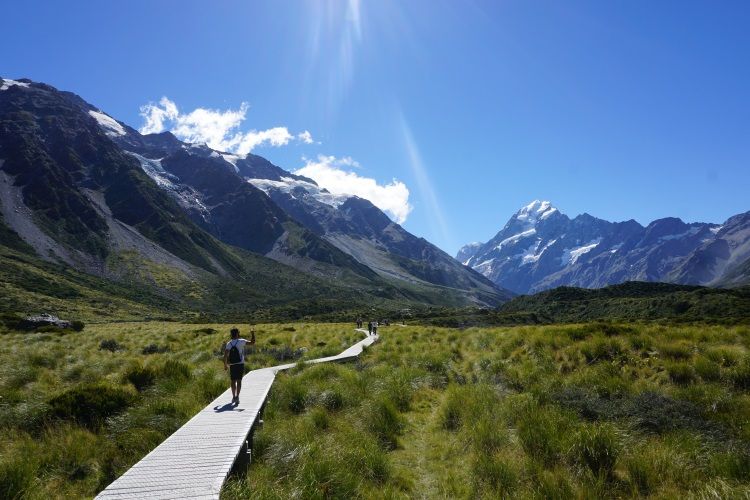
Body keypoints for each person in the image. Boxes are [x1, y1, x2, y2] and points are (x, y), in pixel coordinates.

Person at [223, 327, 253, 405]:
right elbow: (252, 342)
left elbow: (225, 355)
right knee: (239, 381)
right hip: (240, 364)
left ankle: (233, 396)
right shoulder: (241, 341)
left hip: (232, 365)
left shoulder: (229, 343)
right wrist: (252, 333)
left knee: (233, 381)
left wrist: (225, 365)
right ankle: (237, 397)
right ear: (237, 334)